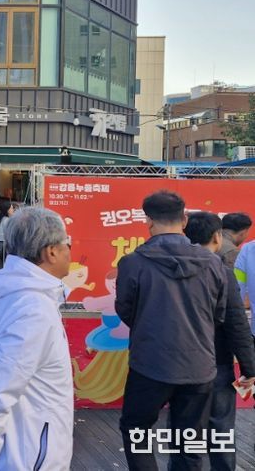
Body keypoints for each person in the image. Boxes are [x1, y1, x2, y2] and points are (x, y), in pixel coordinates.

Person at [0, 206, 74, 471]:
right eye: (68, 243)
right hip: (26, 456)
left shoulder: (10, 298)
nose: (70, 251)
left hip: (18, 448)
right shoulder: (34, 309)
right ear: (51, 252)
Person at [116, 190, 227, 471]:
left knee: (137, 430)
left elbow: (126, 310)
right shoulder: (214, 263)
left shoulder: (132, 263)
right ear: (184, 219)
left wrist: (150, 327)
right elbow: (218, 313)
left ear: (149, 221)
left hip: (150, 363)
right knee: (189, 441)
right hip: (199, 365)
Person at [184, 211, 255, 471]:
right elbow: (236, 324)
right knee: (221, 427)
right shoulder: (223, 272)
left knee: (184, 427)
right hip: (217, 361)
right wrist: (249, 367)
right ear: (216, 236)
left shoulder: (169, 269)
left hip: (179, 363)